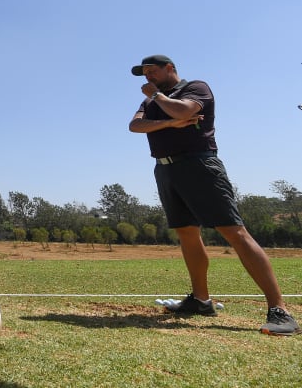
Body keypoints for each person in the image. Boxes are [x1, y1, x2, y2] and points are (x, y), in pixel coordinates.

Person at [128, 54, 299, 336]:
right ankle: (201, 300)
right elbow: (135, 126)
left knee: (234, 232)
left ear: (170, 68)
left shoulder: (196, 88)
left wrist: (160, 99)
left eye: (152, 71)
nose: (148, 77)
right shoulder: (150, 101)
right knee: (186, 233)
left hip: (199, 164)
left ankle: (280, 310)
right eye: (144, 73)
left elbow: (184, 111)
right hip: (166, 169)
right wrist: (169, 123)